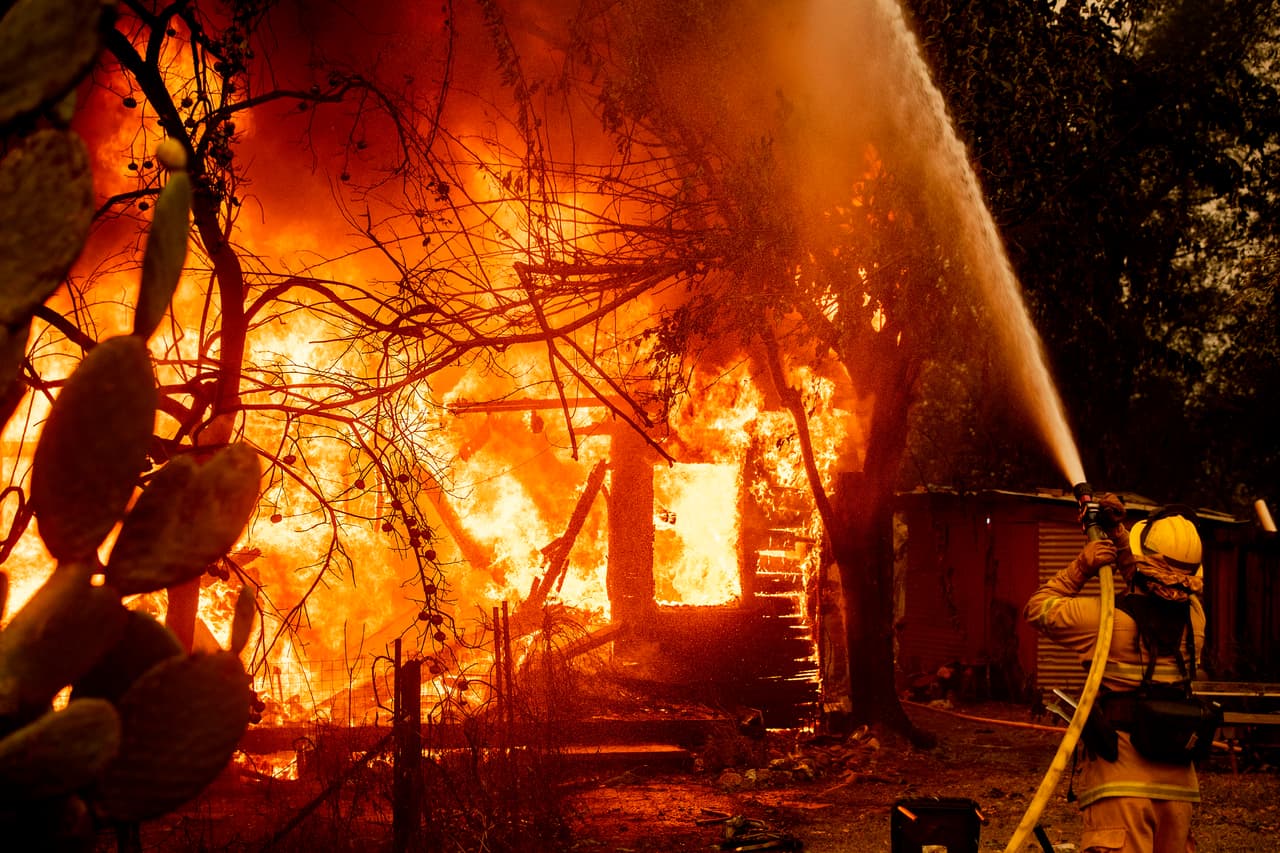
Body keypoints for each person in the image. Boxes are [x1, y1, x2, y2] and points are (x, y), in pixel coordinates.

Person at [1024, 495, 1210, 853]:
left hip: (1119, 785)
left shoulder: (1104, 621)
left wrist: (1083, 565)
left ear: (1144, 560)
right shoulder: (1196, 618)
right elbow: (1153, 584)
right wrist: (1118, 535)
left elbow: (1039, 607)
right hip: (1179, 789)